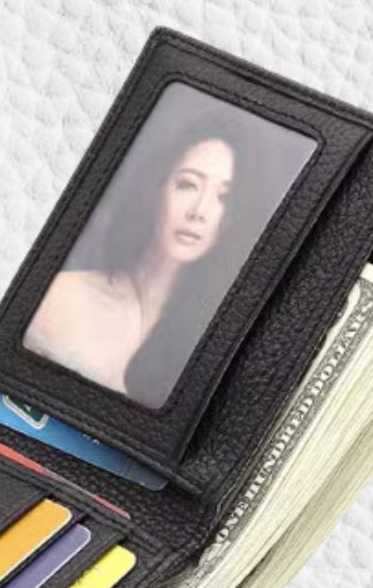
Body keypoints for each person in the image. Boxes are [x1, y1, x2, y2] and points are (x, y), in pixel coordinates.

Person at [24, 120, 243, 407]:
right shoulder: (62, 296)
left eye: (222, 197)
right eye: (187, 185)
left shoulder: (213, 345)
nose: (199, 211)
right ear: (156, 190)